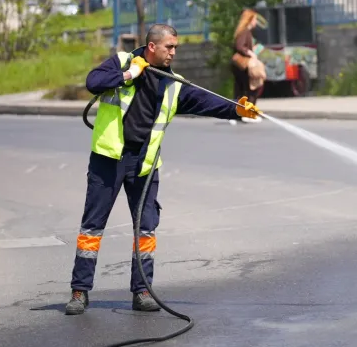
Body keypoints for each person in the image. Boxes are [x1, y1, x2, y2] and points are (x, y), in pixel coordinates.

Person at [65, 24, 261, 315]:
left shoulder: (172, 83)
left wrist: (236, 109)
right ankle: (79, 291)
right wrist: (130, 74)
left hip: (144, 164)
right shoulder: (122, 62)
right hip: (109, 159)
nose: (173, 52)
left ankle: (142, 291)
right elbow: (93, 82)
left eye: (175, 48)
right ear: (152, 47)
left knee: (145, 229)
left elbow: (203, 101)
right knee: (92, 227)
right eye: (169, 47)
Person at [230, 9, 267, 123]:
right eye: (254, 19)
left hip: (238, 66)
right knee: (251, 89)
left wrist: (253, 49)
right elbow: (240, 46)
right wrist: (251, 53)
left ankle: (236, 115)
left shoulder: (243, 31)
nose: (256, 21)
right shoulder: (245, 31)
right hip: (243, 66)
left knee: (240, 90)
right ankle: (247, 114)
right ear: (250, 20)